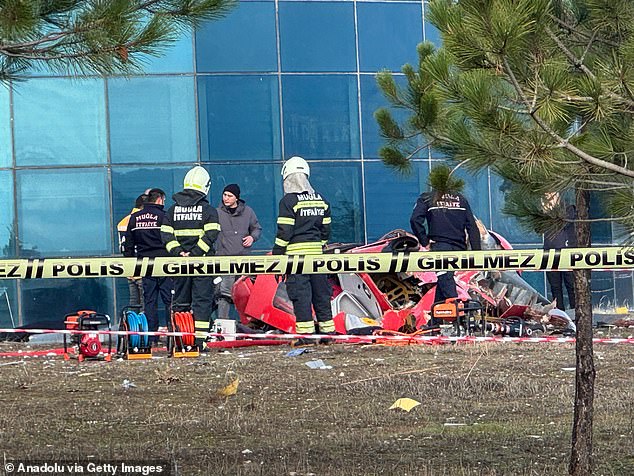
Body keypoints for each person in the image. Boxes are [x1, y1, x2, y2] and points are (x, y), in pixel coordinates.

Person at [272, 156, 334, 344]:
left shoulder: (288, 201)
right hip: (317, 257)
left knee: (301, 295)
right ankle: (327, 334)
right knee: (321, 293)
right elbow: (326, 229)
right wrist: (318, 244)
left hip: (296, 259)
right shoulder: (320, 199)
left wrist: (277, 257)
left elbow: (284, 232)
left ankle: (306, 336)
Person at [410, 165, 481, 323]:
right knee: (445, 279)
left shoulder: (428, 198)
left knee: (446, 283)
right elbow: (472, 227)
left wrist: (424, 241)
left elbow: (415, 220)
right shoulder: (461, 199)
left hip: (440, 248)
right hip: (458, 249)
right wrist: (477, 253)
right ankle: (434, 323)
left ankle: (459, 321)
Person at [161, 166, 220, 348]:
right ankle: (200, 341)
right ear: (206, 186)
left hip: (180, 264)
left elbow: (166, 234)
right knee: (202, 301)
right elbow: (211, 235)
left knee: (180, 301)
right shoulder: (209, 210)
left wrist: (179, 253)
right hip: (202, 264)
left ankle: (180, 339)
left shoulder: (172, 211)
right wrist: (194, 254)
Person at [123, 189, 174, 345]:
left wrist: (132, 264)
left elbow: (128, 245)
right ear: (159, 200)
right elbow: (171, 240)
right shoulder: (165, 216)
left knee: (150, 301)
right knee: (169, 300)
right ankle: (173, 333)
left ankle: (151, 337)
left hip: (144, 264)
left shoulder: (134, 218)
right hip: (164, 263)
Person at [215, 183, 262, 321]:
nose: (226, 198)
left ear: (236, 198)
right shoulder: (217, 213)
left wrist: (252, 237)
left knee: (246, 293)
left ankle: (250, 324)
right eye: (224, 195)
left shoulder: (248, 212)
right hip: (224, 260)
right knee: (224, 293)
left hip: (243, 260)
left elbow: (257, 228)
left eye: (229, 196)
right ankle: (223, 325)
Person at [543, 192, 576, 311]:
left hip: (566, 252)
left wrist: (552, 211)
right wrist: (544, 214)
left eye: (551, 196)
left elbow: (565, 223)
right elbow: (538, 228)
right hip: (550, 253)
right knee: (555, 286)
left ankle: (574, 312)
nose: (548, 199)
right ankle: (560, 313)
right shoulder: (544, 212)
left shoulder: (569, 208)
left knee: (571, 285)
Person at [117, 193, 147, 310]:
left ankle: (132, 327)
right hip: (142, 268)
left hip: (129, 269)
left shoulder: (123, 221)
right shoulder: (139, 220)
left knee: (133, 302)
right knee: (146, 305)